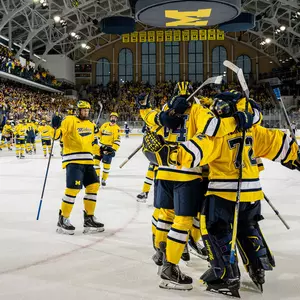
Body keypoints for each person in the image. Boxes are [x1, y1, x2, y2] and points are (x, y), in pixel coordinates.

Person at [142, 93, 299, 297]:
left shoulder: (218, 134)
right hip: (252, 193)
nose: (217, 109)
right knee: (247, 226)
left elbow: (194, 152)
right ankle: (257, 268)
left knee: (216, 231)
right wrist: (294, 155)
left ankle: (226, 277)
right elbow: (280, 143)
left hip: (224, 192)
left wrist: (169, 154)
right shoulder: (253, 130)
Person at [137, 87, 254, 291]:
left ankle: (161, 252)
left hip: (163, 170)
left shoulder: (166, 108)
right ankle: (169, 268)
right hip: (187, 172)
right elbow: (213, 128)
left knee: (165, 215)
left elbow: (151, 121)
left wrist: (145, 109)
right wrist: (238, 120)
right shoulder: (198, 110)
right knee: (183, 220)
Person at [52, 100, 104, 235]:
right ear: (78, 111)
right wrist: (55, 126)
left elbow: (92, 143)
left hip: (88, 161)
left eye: (87, 110)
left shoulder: (90, 124)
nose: (85, 112)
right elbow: (57, 136)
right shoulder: (69, 120)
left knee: (93, 186)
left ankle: (89, 219)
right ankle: (63, 219)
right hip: (73, 160)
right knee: (73, 189)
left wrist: (102, 150)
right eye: (83, 110)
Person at [94, 112, 121, 186]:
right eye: (112, 117)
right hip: (100, 147)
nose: (113, 118)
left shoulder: (117, 129)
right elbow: (99, 134)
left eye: (115, 118)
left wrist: (113, 149)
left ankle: (104, 179)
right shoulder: (104, 125)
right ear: (110, 118)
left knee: (106, 167)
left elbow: (117, 141)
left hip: (108, 149)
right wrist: (96, 131)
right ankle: (97, 177)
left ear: (116, 119)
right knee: (95, 163)